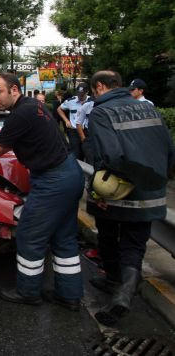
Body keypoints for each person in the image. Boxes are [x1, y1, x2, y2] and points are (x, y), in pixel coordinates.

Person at [0, 72, 84, 311]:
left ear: (15, 90)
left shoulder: (21, 114)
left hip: (53, 180)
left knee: (29, 235)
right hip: (70, 173)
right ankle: (69, 295)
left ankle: (28, 292)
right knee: (63, 237)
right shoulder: (34, 106)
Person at [85, 70, 173, 326]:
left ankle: (116, 284)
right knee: (134, 245)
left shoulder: (101, 113)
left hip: (118, 192)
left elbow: (108, 157)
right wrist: (155, 181)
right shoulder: (150, 109)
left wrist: (97, 190)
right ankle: (122, 293)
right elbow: (169, 149)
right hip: (152, 191)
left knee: (109, 239)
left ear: (99, 86)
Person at [57, 83, 90, 160]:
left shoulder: (92, 101)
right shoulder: (71, 101)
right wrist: (66, 121)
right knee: (76, 154)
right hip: (74, 131)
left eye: (82, 94)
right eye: (79, 94)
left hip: (87, 131)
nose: (80, 96)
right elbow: (59, 109)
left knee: (88, 153)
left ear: (87, 92)